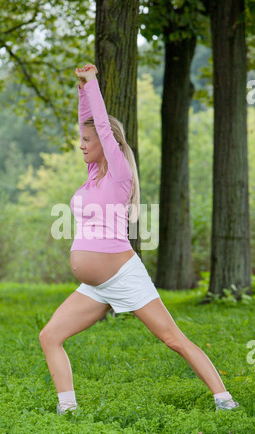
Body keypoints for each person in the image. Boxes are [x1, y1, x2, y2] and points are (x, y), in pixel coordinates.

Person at [39, 63, 239, 414]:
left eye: (87, 141)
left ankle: (224, 400)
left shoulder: (119, 174)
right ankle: (67, 410)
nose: (81, 146)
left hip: (123, 276)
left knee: (173, 339)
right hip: (95, 287)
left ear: (106, 143)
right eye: (81, 140)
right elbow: (89, 122)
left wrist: (94, 84)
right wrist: (82, 91)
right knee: (49, 336)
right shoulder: (92, 176)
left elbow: (101, 125)